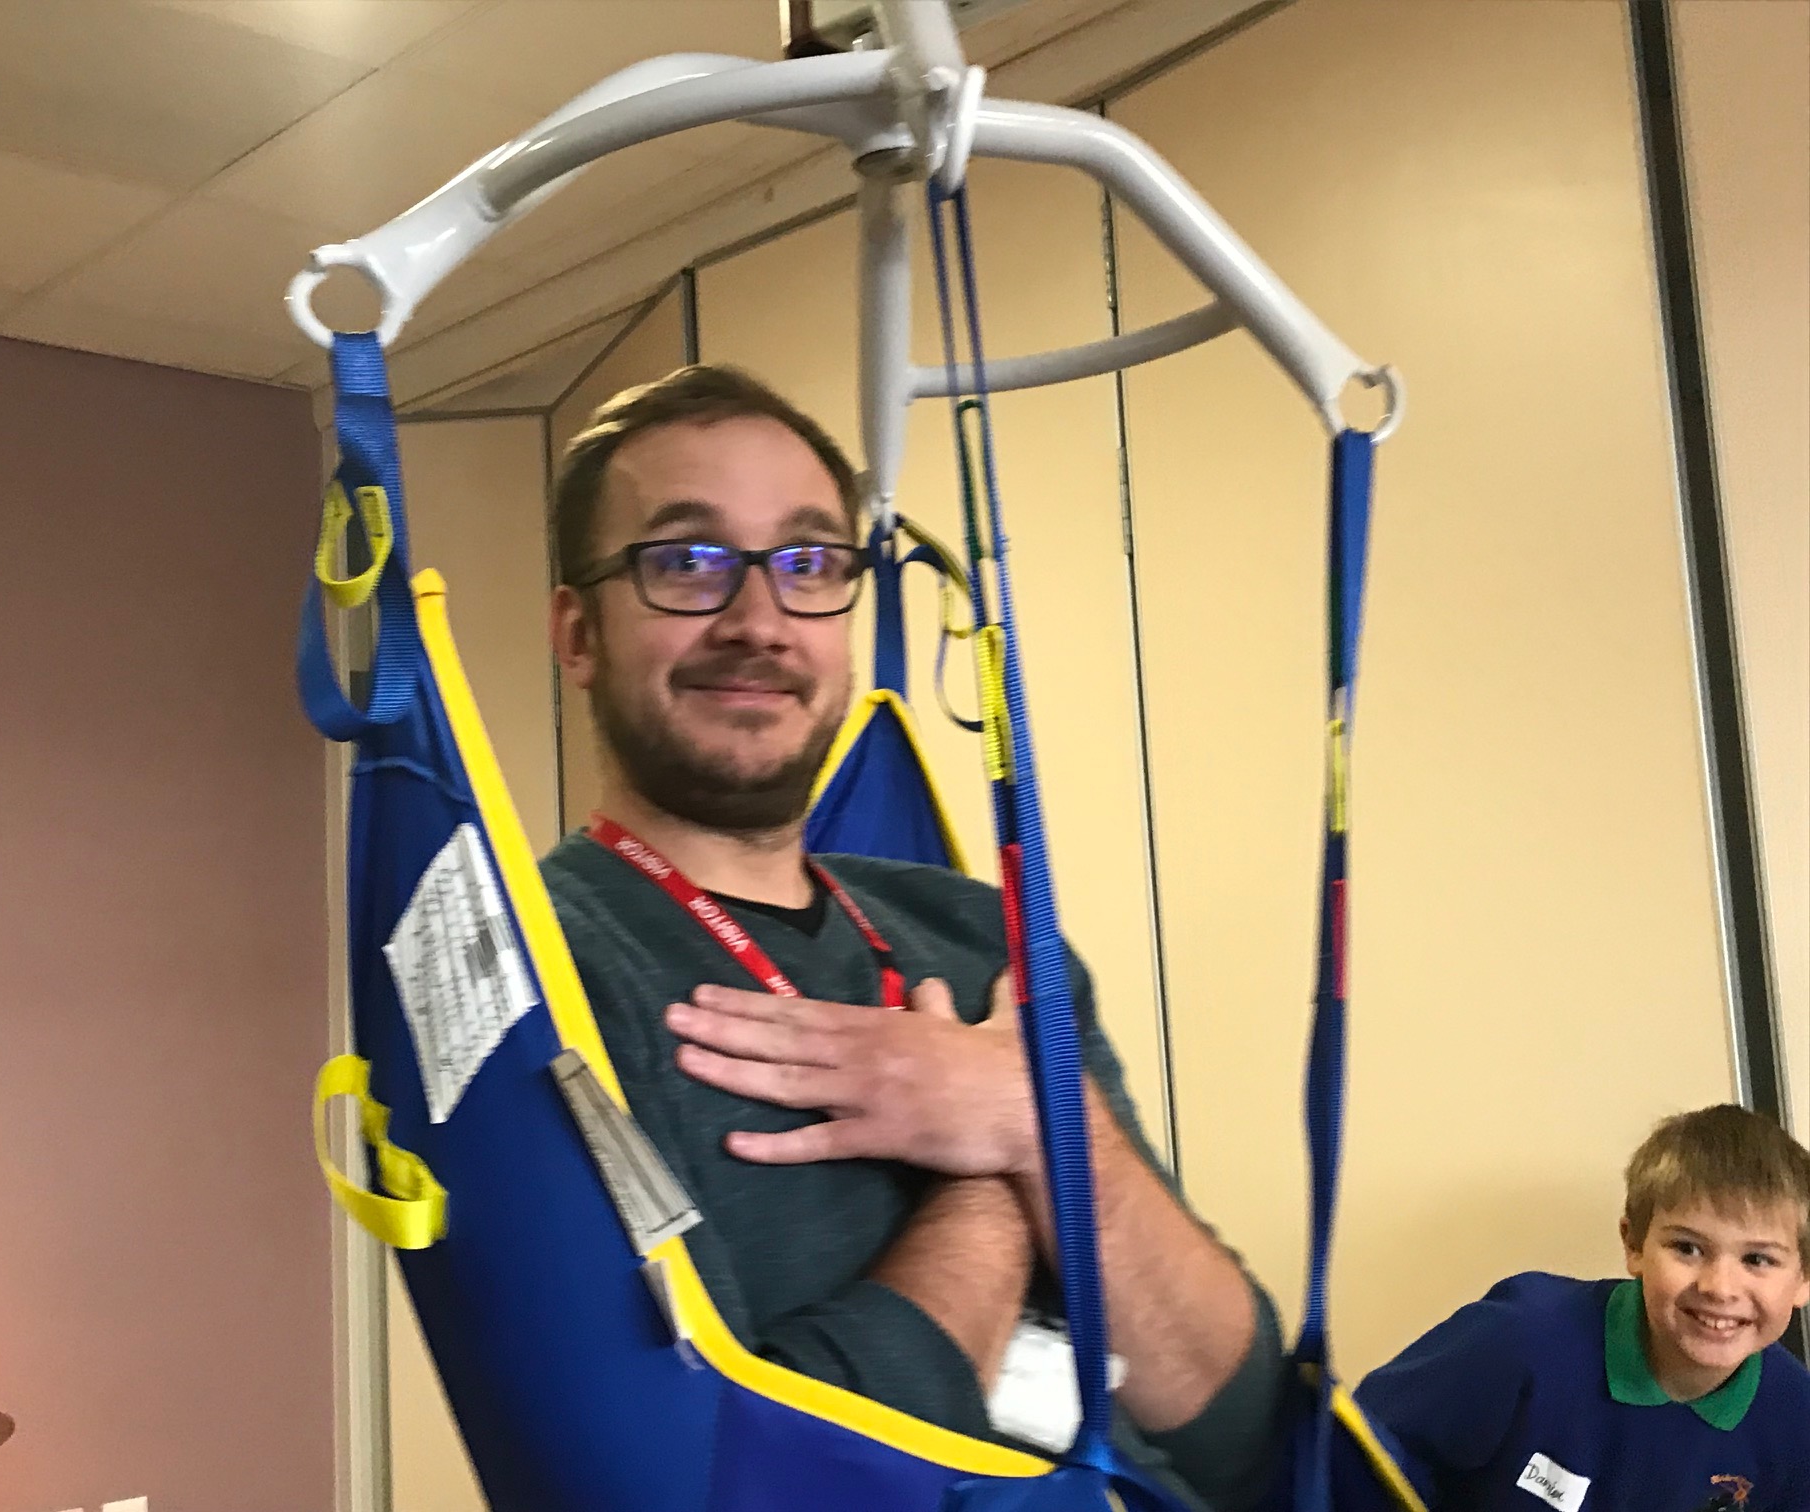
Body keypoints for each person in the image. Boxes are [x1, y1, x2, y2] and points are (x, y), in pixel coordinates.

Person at [538, 364, 1286, 1511]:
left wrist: (1040, 1123)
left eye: (808, 563)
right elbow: (757, 1489)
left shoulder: (980, 932)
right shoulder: (555, 972)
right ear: (578, 633)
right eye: (685, 561)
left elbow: (1240, 1427)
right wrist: (999, 1180)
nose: (759, 621)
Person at [1351, 1104, 1810, 1512]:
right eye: (1687, 1248)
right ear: (1634, 1245)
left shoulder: (1796, 1421)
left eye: (1758, 1259)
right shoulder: (1521, 1338)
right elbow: (1358, 1454)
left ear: (1804, 1279)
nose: (1719, 1288)